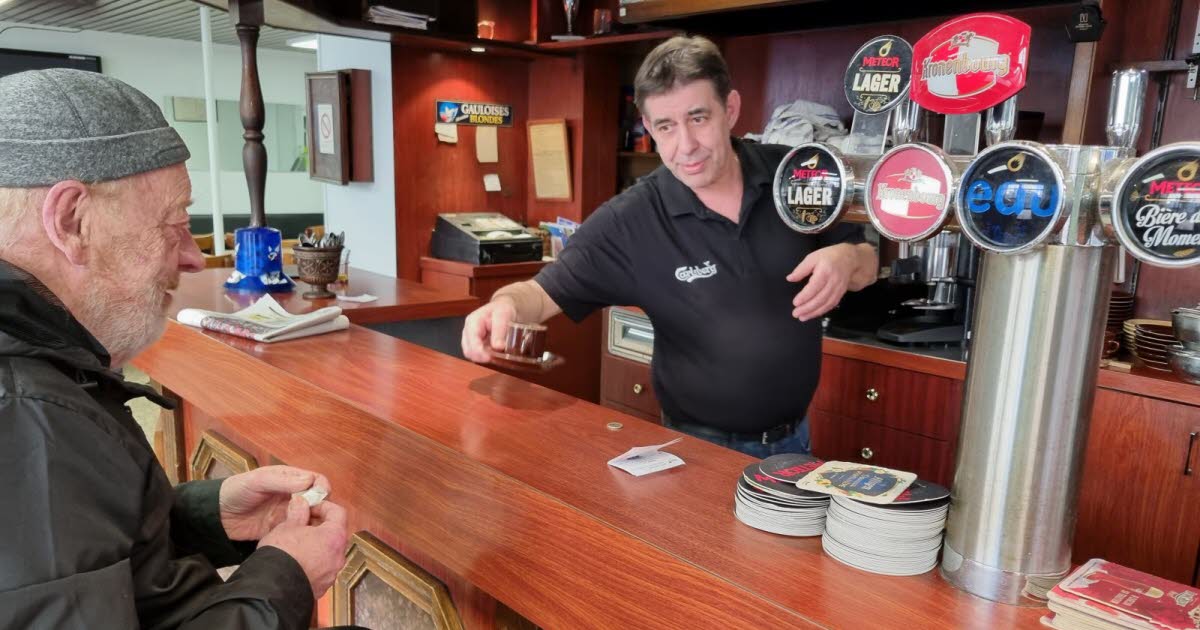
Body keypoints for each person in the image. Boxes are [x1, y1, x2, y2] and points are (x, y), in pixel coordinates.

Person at [0, 69, 350, 629]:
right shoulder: (26, 416)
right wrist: (287, 577)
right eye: (175, 224)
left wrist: (207, 517)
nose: (191, 257)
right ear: (72, 221)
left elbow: (81, 558)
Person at [462, 36, 878, 458]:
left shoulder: (796, 173)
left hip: (795, 442)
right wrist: (504, 306)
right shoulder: (631, 220)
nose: (686, 145)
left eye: (698, 118)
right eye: (666, 127)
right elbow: (538, 293)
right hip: (697, 448)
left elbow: (867, 265)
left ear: (730, 109)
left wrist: (848, 257)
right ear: (648, 128)